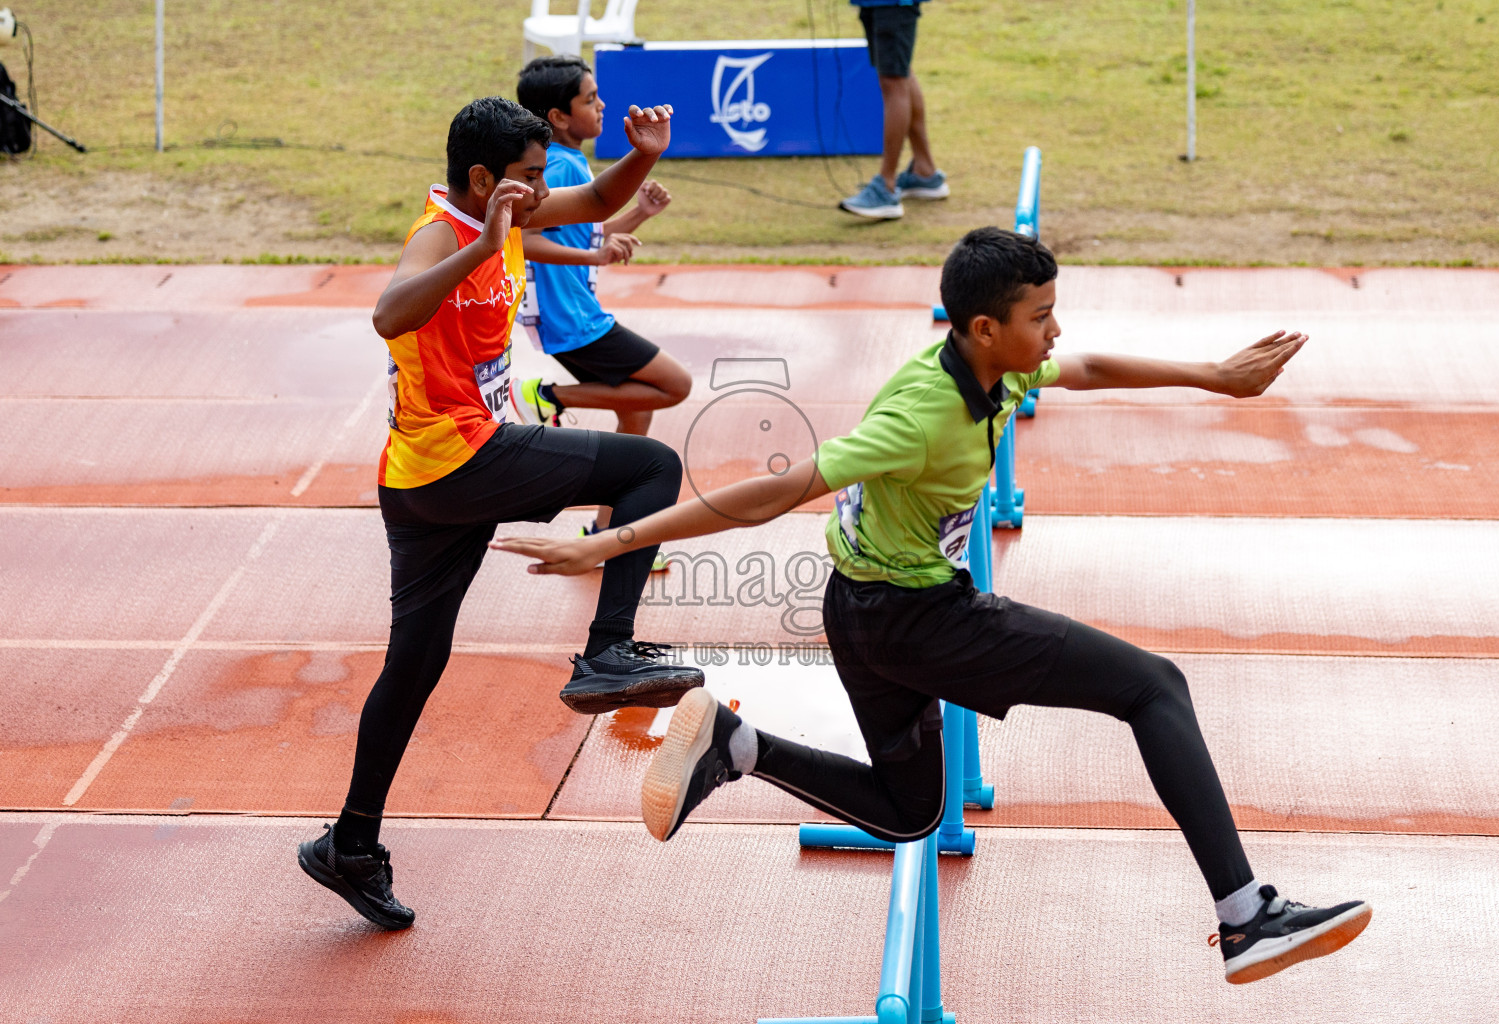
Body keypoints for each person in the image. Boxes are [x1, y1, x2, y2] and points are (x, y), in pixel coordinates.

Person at [492, 227, 1373, 985]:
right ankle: (1246, 913)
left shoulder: (995, 367)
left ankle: (737, 743)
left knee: (909, 810)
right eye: (1041, 317)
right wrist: (605, 544)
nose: (1056, 330)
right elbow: (777, 490)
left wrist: (1215, 376)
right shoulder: (923, 415)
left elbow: (1090, 364)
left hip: (862, 612)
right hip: (916, 621)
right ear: (987, 327)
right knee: (1154, 687)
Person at [297, 95, 703, 932]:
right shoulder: (443, 233)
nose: (536, 192)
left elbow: (591, 205)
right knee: (651, 467)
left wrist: (644, 159)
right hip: (458, 460)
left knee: (413, 666)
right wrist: (483, 243)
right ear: (480, 180)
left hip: (422, 481)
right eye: (524, 180)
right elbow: (387, 314)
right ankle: (607, 654)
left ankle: (350, 845)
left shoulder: (505, 209)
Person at [513, 56, 692, 560]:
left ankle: (606, 534)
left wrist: (640, 213)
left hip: (571, 316)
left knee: (637, 414)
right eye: (589, 100)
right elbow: (526, 239)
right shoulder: (561, 165)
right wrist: (593, 255)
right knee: (674, 385)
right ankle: (548, 397)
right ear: (559, 117)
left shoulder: (566, 161)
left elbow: (583, 229)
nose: (602, 106)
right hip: (573, 321)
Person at [840, 0, 948, 221]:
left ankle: (886, 188)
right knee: (899, 72)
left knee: (894, 80)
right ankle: (924, 170)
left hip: (892, 4)